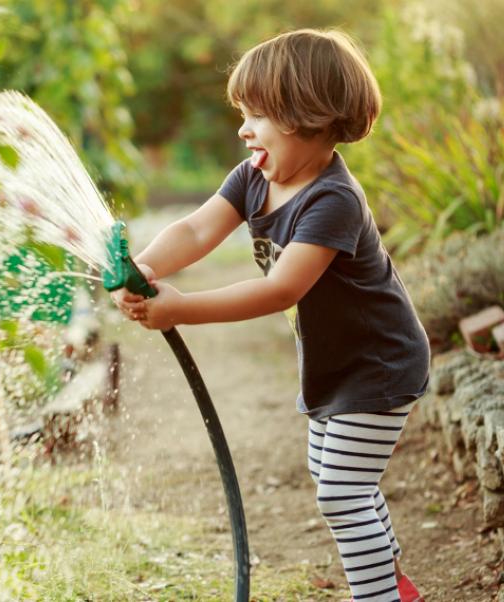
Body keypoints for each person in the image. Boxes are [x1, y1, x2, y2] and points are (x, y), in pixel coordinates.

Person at [112, 29, 430, 602]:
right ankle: (393, 580)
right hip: (332, 363)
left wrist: (182, 308)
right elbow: (195, 229)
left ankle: (378, 595)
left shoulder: (332, 199)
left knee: (341, 490)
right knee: (338, 477)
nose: (243, 128)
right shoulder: (254, 177)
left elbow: (282, 289)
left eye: (257, 115)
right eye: (243, 113)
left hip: (379, 365)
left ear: (308, 116)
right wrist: (145, 266)